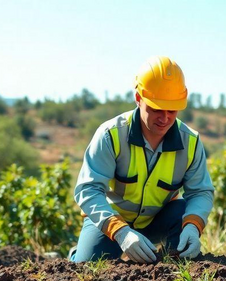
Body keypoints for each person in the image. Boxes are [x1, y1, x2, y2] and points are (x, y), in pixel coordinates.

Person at [71, 56, 214, 263]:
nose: (165, 118)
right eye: (156, 109)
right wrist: (120, 232)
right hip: (112, 222)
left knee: (183, 216)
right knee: (86, 266)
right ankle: (76, 254)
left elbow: (200, 191)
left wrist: (193, 226)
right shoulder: (111, 135)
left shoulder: (190, 142)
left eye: (171, 110)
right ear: (138, 99)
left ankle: (171, 263)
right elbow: (88, 190)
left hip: (158, 221)